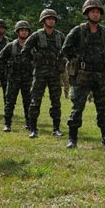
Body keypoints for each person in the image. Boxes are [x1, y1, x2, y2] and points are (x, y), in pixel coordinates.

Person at [62, 0, 105, 148]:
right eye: (93, 11)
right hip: (82, 74)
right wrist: (75, 61)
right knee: (77, 107)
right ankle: (72, 139)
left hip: (99, 75)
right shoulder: (78, 31)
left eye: (98, 12)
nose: (96, 14)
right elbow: (66, 48)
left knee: (102, 107)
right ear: (87, 13)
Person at [22, 10, 65, 138]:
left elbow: (68, 49)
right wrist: (34, 61)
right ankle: (33, 129)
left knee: (56, 102)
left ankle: (56, 128)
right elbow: (25, 51)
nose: (51, 20)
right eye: (49, 18)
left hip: (55, 73)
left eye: (53, 18)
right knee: (35, 101)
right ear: (43, 20)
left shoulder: (60, 36)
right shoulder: (36, 35)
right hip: (40, 73)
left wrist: (63, 59)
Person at [0, 21, 33, 132]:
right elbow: (0, 59)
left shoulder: (32, 46)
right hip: (13, 78)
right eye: (22, 30)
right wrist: (7, 69)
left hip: (28, 79)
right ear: (17, 32)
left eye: (26, 30)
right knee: (10, 102)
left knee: (28, 102)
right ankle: (7, 124)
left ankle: (29, 123)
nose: (24, 32)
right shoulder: (10, 46)